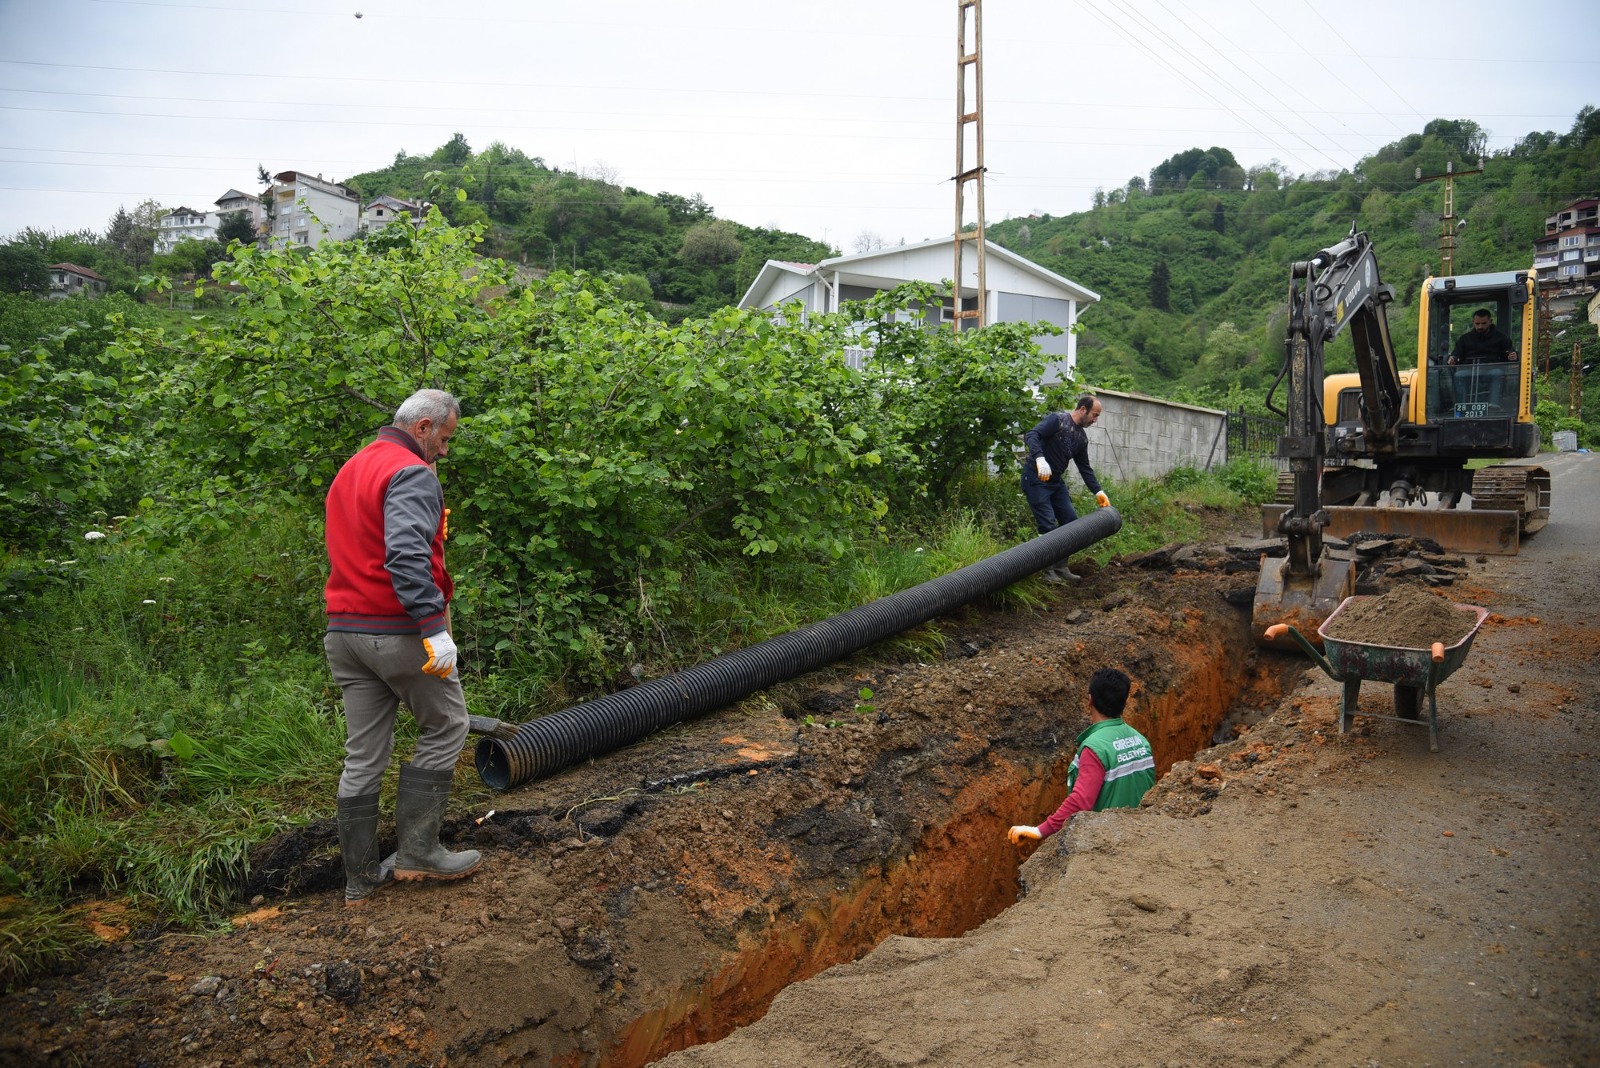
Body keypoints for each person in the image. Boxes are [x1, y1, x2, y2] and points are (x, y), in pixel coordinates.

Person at [324, 388, 481, 907]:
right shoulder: (409, 472)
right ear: (423, 427)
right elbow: (407, 555)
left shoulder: (352, 469)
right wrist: (434, 627)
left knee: (363, 754)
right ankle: (419, 852)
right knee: (448, 725)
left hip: (345, 634)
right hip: (396, 632)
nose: (444, 449)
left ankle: (359, 879)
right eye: (444, 438)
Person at [1007, 667, 1155, 845]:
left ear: (1090, 700)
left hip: (1106, 844)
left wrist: (1040, 831)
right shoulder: (1141, 741)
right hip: (1140, 838)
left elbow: (1081, 800)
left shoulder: (1095, 748)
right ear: (1124, 702)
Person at [1021, 394, 1111, 581]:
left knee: (1071, 522)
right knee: (1048, 524)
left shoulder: (1081, 438)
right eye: (1094, 415)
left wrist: (1098, 491)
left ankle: (1061, 567)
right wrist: (1039, 458)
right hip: (1036, 478)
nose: (1095, 420)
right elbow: (1032, 434)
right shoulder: (1058, 421)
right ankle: (1047, 571)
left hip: (1055, 482)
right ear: (1083, 409)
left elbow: (1085, 468)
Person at [1446, 309, 1516, 412]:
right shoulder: (1465, 339)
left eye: (1483, 323)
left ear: (1490, 321)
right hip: (1469, 371)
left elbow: (1510, 353)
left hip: (1492, 370)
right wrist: (1452, 359)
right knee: (1459, 375)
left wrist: (1513, 355)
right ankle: (1461, 406)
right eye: (1477, 323)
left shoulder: (1501, 338)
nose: (1480, 327)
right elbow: (1456, 354)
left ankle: (1493, 405)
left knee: (1497, 373)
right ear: (1473, 322)